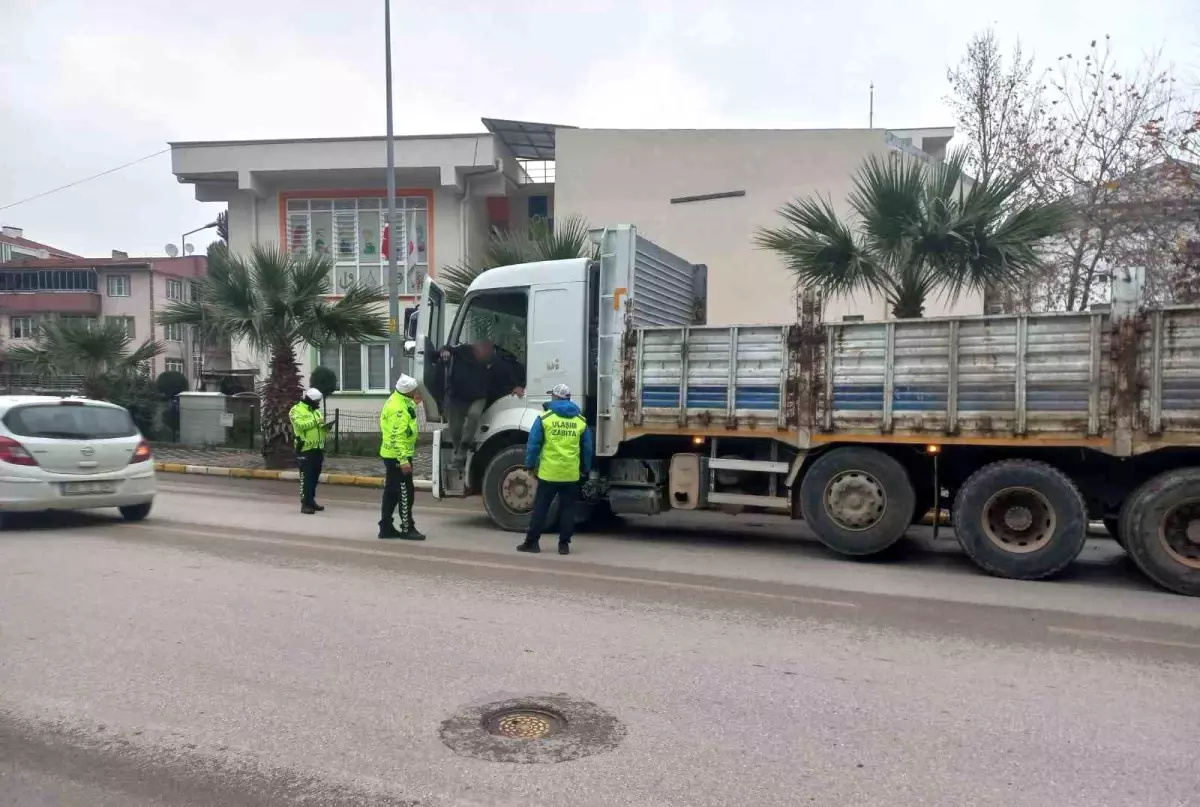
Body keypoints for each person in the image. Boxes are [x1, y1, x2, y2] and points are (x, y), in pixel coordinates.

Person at [517, 384, 593, 556]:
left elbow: (534, 445)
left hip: (548, 473)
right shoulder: (580, 421)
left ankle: (532, 542)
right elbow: (587, 448)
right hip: (570, 474)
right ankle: (564, 545)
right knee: (568, 509)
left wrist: (529, 465)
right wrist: (585, 469)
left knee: (541, 508)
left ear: (556, 398)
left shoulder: (545, 419)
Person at [440, 339, 524, 471]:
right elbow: (445, 349)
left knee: (474, 415)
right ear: (475, 348)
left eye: (488, 351)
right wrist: (444, 351)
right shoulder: (462, 351)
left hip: (479, 397)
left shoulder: (495, 361)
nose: (485, 354)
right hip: (457, 398)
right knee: (455, 428)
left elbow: (511, 371)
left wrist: (518, 385)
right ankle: (458, 454)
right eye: (483, 350)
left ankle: (464, 446)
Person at [379, 374, 426, 540]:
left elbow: (407, 413)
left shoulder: (398, 400)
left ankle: (385, 527)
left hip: (391, 455)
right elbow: (396, 437)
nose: (417, 392)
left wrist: (414, 403)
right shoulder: (398, 409)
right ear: (408, 391)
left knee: (391, 491)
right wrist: (404, 461)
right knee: (406, 492)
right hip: (399, 457)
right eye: (415, 390)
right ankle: (407, 528)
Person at [289, 388, 328, 515]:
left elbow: (319, 426)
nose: (318, 403)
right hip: (305, 449)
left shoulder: (315, 411)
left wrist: (325, 428)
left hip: (317, 448)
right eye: (317, 401)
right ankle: (305, 504)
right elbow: (300, 425)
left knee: (314, 477)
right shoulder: (296, 410)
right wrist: (316, 422)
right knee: (306, 477)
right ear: (310, 400)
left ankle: (311, 500)